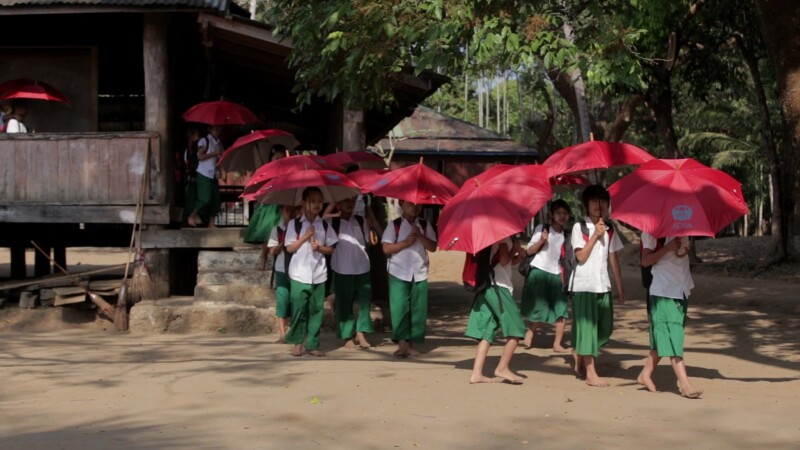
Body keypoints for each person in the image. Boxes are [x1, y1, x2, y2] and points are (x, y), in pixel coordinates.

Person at [570, 185, 625, 387]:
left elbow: (613, 257)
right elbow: (580, 257)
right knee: (588, 329)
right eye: (594, 201)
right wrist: (594, 236)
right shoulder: (579, 228)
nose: (599, 205)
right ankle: (591, 374)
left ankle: (580, 350)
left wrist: (619, 286)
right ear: (586, 205)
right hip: (584, 285)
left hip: (603, 285)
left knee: (605, 327)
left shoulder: (610, 230)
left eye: (603, 201)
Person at [637, 233, 702, 398]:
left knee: (665, 334)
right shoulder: (651, 232)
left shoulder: (684, 230)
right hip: (663, 289)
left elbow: (681, 255)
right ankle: (685, 384)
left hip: (681, 288)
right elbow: (645, 261)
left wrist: (680, 247)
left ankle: (645, 374)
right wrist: (667, 248)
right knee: (674, 335)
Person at [284, 187, 338, 357]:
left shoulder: (324, 225)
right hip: (299, 274)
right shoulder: (295, 224)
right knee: (299, 309)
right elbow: (290, 248)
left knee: (316, 311)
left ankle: (312, 344)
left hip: (319, 274)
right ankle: (298, 343)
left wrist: (319, 247)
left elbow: (332, 249)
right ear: (303, 202)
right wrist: (305, 237)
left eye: (319, 201)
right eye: (312, 201)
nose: (317, 205)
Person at [466, 237, 528, 384]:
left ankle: (477, 374)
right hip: (498, 285)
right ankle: (502, 368)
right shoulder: (502, 238)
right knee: (517, 328)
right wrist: (515, 248)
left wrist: (519, 255)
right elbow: (505, 260)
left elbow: (508, 262)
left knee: (488, 328)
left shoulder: (493, 237)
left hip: (487, 285)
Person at [381, 200, 438, 357]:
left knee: (417, 309)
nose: (415, 207)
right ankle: (402, 344)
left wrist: (420, 235)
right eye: (410, 203)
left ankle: (410, 344)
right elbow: (386, 248)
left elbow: (433, 247)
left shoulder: (425, 225)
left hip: (419, 272)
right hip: (398, 271)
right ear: (401, 204)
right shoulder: (395, 225)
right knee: (399, 308)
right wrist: (406, 242)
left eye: (418, 204)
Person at [521, 199, 571, 353]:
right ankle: (531, 330)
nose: (562, 216)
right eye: (558, 213)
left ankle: (557, 343)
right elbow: (528, 252)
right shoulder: (541, 229)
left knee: (561, 310)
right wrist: (541, 241)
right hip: (540, 272)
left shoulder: (568, 235)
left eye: (565, 213)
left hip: (557, 275)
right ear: (551, 214)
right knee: (540, 309)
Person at [329, 196, 374, 349]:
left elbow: (369, 240)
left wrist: (372, 224)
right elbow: (320, 221)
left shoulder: (361, 221)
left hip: (362, 267)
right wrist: (332, 204)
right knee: (344, 303)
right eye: (346, 200)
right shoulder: (332, 223)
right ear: (339, 203)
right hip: (342, 268)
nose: (350, 204)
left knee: (364, 302)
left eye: (353, 201)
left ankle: (361, 332)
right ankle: (347, 336)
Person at [244, 145, 288, 270]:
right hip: (269, 206)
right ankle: (263, 258)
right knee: (267, 234)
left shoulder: (287, 172)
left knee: (281, 234)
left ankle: (279, 262)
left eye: (282, 157)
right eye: (277, 157)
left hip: (282, 206)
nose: (280, 160)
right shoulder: (266, 172)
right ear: (271, 159)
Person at [266, 204, 298, 344]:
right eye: (287, 210)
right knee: (282, 301)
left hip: (298, 268)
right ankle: (282, 334)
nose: (290, 213)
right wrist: (281, 243)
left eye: (292, 210)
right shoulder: (277, 229)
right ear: (281, 211)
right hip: (281, 269)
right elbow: (272, 251)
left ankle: (296, 332)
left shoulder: (299, 227)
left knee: (297, 300)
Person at [187, 125, 223, 228]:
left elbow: (219, 158)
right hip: (204, 173)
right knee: (205, 199)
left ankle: (211, 223)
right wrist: (214, 153)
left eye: (219, 129)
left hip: (213, 174)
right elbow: (200, 156)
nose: (218, 131)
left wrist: (220, 157)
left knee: (216, 199)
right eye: (216, 129)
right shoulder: (204, 140)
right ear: (209, 129)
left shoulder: (219, 143)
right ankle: (192, 216)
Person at [180, 127, 201, 227]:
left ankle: (191, 222)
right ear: (192, 137)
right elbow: (190, 165)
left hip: (192, 179)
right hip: (190, 180)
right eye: (197, 135)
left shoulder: (191, 148)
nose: (198, 138)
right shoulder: (190, 149)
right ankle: (187, 223)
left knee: (193, 202)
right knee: (190, 204)